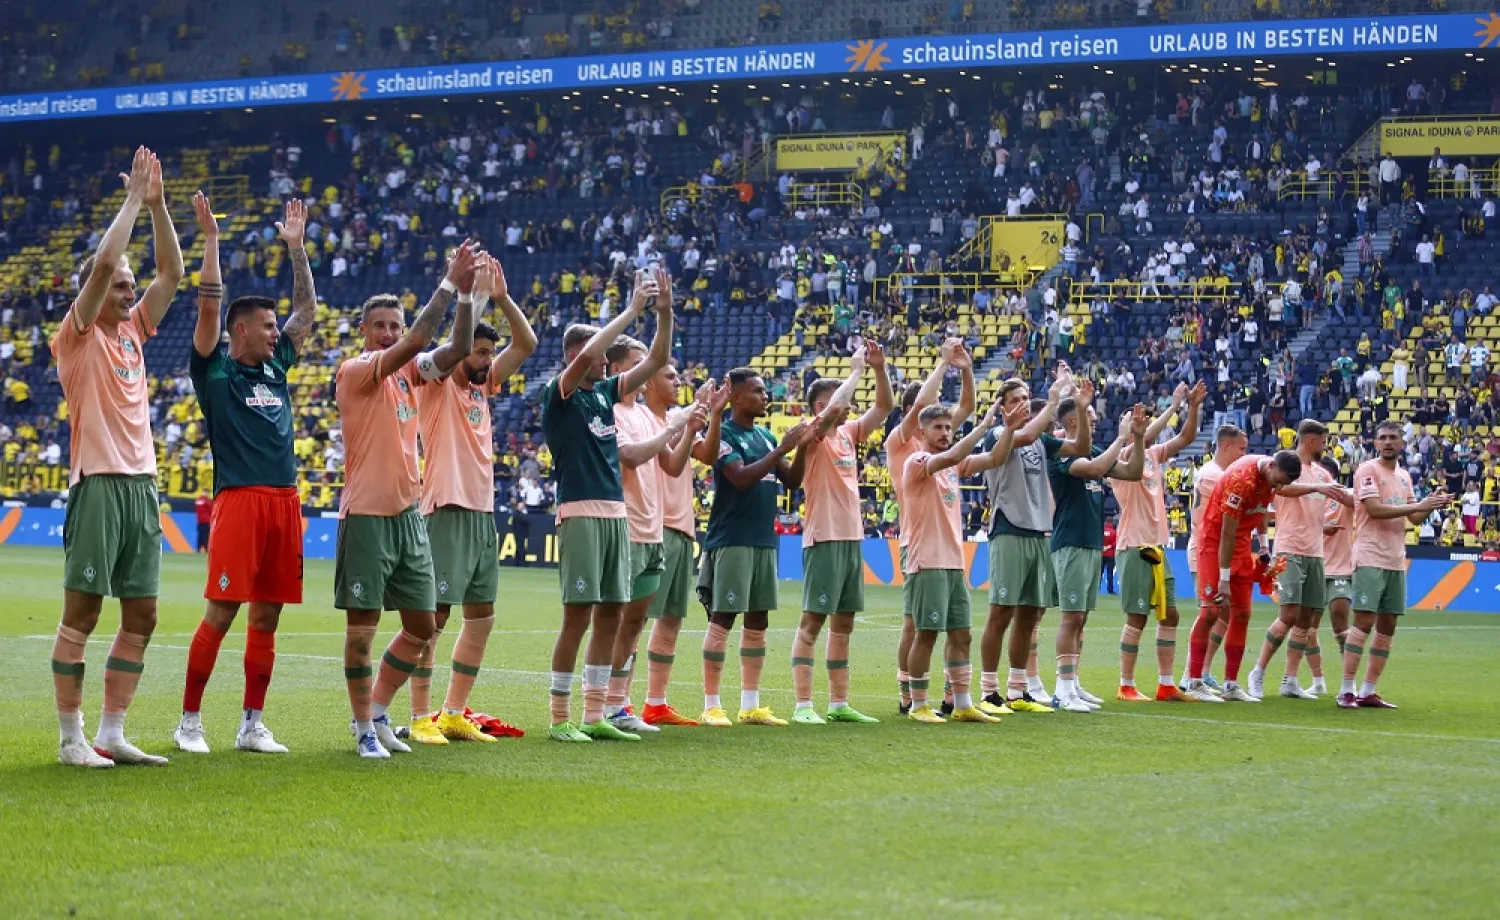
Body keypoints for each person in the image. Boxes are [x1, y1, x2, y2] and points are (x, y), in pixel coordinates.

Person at [49, 147, 183, 768]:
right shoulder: (75, 336)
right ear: (96, 292)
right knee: (83, 610)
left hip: (142, 485)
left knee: (145, 614)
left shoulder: (132, 330)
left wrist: (158, 206)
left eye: (132, 286)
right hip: (99, 482)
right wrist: (131, 200)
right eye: (122, 286)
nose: (131, 293)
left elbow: (172, 273)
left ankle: (112, 732)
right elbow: (105, 260)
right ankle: (71, 737)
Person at [174, 196, 315, 756]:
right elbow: (208, 310)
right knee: (223, 610)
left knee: (269, 614)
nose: (278, 331)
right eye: (267, 325)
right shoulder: (214, 369)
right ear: (240, 330)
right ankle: (189, 721)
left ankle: (251, 723)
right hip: (239, 500)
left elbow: (307, 310)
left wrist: (297, 249)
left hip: (285, 501)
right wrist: (210, 242)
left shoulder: (277, 364)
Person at [335, 241, 481, 759]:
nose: (391, 334)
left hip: (407, 517)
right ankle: (362, 729)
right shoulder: (357, 371)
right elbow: (423, 337)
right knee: (362, 632)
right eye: (381, 326)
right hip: (368, 517)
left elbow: (456, 348)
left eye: (395, 326)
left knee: (423, 625)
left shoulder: (409, 375)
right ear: (365, 332)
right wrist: (447, 282)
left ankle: (378, 710)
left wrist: (464, 296)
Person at [541, 268, 674, 743]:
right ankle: (560, 719)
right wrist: (632, 309)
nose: (606, 365)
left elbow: (657, 357)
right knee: (578, 616)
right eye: (598, 357)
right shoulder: (557, 396)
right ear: (582, 356)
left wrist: (664, 313)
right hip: (579, 513)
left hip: (616, 517)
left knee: (612, 614)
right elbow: (586, 363)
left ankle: (596, 715)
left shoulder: (603, 395)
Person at [411, 254, 535, 743]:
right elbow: (455, 345)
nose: (485, 361)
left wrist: (501, 297)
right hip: (446, 507)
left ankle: (454, 712)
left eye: (489, 354)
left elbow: (526, 343)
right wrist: (466, 294)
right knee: (433, 620)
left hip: (483, 512)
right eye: (479, 353)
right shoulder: (436, 387)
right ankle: (421, 717)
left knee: (481, 617)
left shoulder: (484, 388)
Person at [969, 366, 1091, 716]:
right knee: (1001, 612)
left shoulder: (1040, 437)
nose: (1022, 404)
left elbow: (1080, 446)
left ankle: (1018, 689)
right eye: (1015, 400)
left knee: (1029, 615)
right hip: (1009, 527)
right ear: (1002, 407)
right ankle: (989, 690)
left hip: (1039, 531)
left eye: (1025, 398)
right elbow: (1022, 436)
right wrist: (1054, 398)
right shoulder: (997, 433)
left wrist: (1079, 409)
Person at [697, 369, 814, 727]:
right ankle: (711, 704)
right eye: (758, 391)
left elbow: (792, 479)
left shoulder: (763, 435)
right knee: (723, 618)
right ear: (735, 397)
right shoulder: (724, 435)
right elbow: (741, 479)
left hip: (764, 540)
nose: (766, 397)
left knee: (758, 620)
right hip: (732, 539)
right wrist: (783, 448)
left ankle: (750, 705)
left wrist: (805, 444)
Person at [599, 335, 703, 734]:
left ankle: (619, 705)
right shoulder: (611, 410)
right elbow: (630, 455)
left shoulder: (643, 415)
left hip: (652, 528)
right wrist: (672, 427)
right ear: (618, 369)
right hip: (623, 526)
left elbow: (673, 466)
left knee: (635, 622)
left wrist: (690, 428)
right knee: (617, 620)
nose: (645, 373)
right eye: (639, 364)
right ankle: (603, 705)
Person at [791, 343, 894, 724]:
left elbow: (883, 408)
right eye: (842, 399)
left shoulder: (848, 434)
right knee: (812, 621)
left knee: (844, 622)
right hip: (824, 537)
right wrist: (855, 372)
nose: (850, 406)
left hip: (851, 537)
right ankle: (803, 705)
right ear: (820, 405)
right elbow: (836, 408)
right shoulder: (810, 432)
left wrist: (878, 369)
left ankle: (838, 703)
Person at [1190, 451, 1332, 701]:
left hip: (1242, 545)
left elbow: (1261, 510)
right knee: (1211, 611)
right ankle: (1193, 682)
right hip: (1216, 544)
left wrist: (1264, 545)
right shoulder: (1241, 480)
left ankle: (1231, 684)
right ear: (1272, 466)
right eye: (1278, 481)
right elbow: (1226, 533)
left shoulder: (1270, 477)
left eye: (1283, 484)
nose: (1278, 488)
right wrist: (1224, 579)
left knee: (1242, 614)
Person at [902, 398, 1008, 724]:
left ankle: (962, 703)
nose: (945, 432)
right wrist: (985, 424)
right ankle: (918, 705)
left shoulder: (951, 466)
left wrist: (1012, 428)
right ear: (921, 431)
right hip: (927, 561)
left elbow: (995, 457)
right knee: (927, 634)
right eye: (939, 427)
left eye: (949, 427)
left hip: (952, 563)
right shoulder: (918, 461)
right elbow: (953, 454)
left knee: (961, 635)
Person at [1338, 422, 1452, 708]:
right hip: (1369, 556)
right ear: (1375, 443)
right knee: (1363, 621)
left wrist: (1432, 504)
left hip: (1394, 558)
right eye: (1383, 438)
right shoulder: (1367, 470)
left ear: (1402, 443)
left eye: (1393, 438)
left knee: (1388, 625)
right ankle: (1346, 689)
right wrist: (1418, 506)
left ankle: (1367, 691)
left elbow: (1413, 519)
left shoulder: (1404, 476)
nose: (1388, 442)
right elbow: (1374, 509)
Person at [639, 368, 728, 726]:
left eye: (678, 377)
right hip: (653, 524)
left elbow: (706, 454)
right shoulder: (642, 418)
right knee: (636, 617)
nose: (677, 381)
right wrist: (695, 410)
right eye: (670, 376)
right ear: (649, 382)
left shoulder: (677, 419)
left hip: (681, 527)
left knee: (671, 618)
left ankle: (655, 702)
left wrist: (715, 414)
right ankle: (617, 702)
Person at [890, 340, 974, 714]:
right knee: (916, 626)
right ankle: (909, 692)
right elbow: (928, 405)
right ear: (913, 414)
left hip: (940, 535)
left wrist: (966, 368)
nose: (944, 424)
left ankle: (946, 695)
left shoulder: (940, 441)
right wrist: (942, 365)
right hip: (917, 537)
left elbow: (967, 409)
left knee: (941, 626)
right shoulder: (901, 442)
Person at [1109, 382, 1206, 703]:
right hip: (1134, 545)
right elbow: (1142, 447)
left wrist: (1189, 408)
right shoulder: (1119, 458)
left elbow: (1186, 438)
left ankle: (1165, 684)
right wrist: (1172, 405)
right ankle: (1126, 685)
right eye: (1135, 420)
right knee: (1137, 616)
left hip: (1157, 546)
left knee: (1170, 614)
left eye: (1142, 419)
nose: (1141, 423)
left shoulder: (1152, 454)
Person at [1048, 402, 1147, 712]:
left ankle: (1073, 683)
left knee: (1083, 618)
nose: (1094, 421)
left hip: (1090, 542)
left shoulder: (1095, 450)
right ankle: (1062, 690)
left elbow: (1133, 472)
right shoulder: (1063, 450)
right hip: (1071, 540)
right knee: (1072, 616)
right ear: (1070, 421)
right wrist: (1121, 439)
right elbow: (1092, 470)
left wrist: (1139, 439)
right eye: (1088, 417)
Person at [1247, 420, 1353, 700]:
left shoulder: (1322, 474)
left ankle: (1290, 680)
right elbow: (1282, 490)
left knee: (1306, 620)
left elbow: (1341, 495)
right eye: (1322, 441)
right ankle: (1257, 671)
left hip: (1315, 552)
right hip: (1289, 549)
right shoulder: (1285, 467)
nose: (1325, 446)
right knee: (1289, 615)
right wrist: (1316, 489)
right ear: (1310, 441)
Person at [1182, 424, 1247, 693]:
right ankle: (1190, 675)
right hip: (1206, 550)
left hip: (1220, 551)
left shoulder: (1219, 473)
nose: (1245, 454)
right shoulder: (1212, 476)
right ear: (1227, 446)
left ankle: (1204, 670)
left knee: (1224, 614)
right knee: (1208, 613)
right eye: (1241, 449)